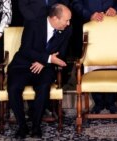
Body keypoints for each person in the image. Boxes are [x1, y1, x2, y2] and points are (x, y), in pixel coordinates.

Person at [7, 4, 72, 139]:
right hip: (23, 65)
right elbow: (25, 50)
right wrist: (47, 58)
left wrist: (44, 62)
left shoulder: (67, 30)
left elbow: (61, 54)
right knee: (13, 88)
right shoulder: (33, 23)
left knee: (43, 87)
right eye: (66, 20)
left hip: (45, 68)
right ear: (55, 18)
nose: (68, 23)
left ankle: (36, 126)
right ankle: (22, 126)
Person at [72, 0, 117, 114]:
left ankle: (111, 102)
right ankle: (98, 102)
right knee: (94, 61)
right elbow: (75, 2)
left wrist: (116, 9)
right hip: (90, 23)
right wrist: (89, 14)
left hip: (113, 23)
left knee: (112, 59)